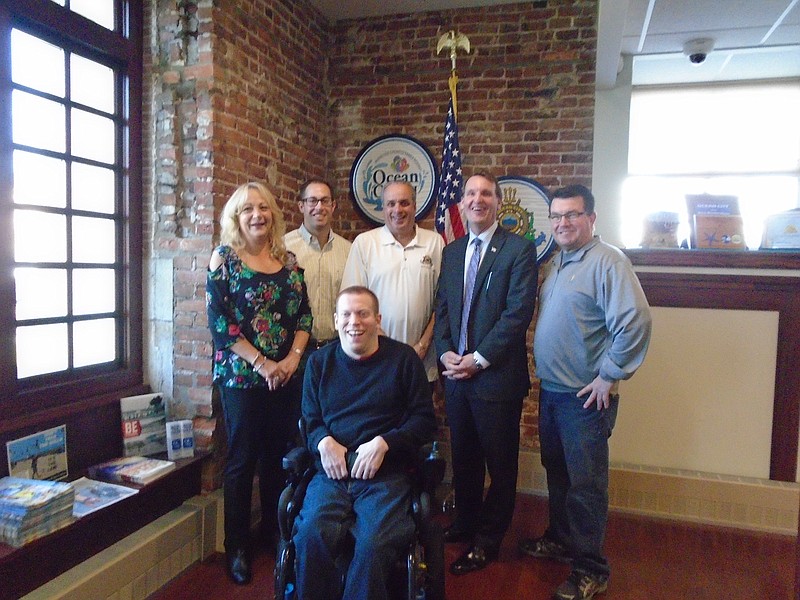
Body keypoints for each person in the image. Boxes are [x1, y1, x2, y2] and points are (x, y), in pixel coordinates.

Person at [518, 184, 652, 600]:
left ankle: (591, 570)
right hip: (554, 392)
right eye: (556, 217)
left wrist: (609, 375)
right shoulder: (558, 263)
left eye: (572, 215)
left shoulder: (609, 262)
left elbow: (635, 321)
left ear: (591, 219)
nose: (562, 223)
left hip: (585, 399)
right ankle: (560, 539)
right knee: (559, 477)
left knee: (586, 487)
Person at [293, 286, 437, 600]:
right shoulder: (319, 363)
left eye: (363, 313)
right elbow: (310, 417)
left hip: (385, 476)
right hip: (331, 475)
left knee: (373, 543)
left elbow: (424, 421)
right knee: (310, 533)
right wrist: (322, 441)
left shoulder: (403, 360)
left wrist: (386, 442)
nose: (353, 322)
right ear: (335, 320)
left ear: (377, 319)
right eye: (346, 314)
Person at [206, 182, 312, 585]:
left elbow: (305, 316)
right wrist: (263, 363)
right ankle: (238, 547)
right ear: (236, 217)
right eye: (248, 209)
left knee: (279, 457)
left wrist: (289, 361)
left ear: (273, 214)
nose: (257, 215)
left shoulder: (288, 259)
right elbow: (221, 325)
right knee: (241, 460)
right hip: (242, 379)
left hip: (287, 375)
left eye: (263, 208)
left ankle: (273, 531)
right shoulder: (224, 260)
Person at [433, 172, 538, 575]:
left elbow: (517, 315)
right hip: (456, 377)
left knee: (501, 464)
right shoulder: (453, 251)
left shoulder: (518, 249)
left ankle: (489, 539)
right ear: (461, 203)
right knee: (465, 459)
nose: (478, 199)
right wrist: (444, 352)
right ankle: (465, 523)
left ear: (497, 202)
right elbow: (443, 309)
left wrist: (477, 359)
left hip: (494, 378)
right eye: (471, 193)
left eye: (486, 194)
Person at [341, 181, 443, 383]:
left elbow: (442, 302)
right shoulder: (365, 243)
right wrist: (384, 346)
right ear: (383, 208)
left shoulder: (435, 242)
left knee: (418, 414)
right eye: (391, 204)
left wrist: (422, 345)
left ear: (415, 206)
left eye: (404, 203)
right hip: (375, 357)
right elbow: (353, 302)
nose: (398, 210)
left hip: (421, 358)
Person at [284, 178, 352, 353]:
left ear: (333, 206)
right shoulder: (283, 248)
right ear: (301, 206)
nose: (319, 207)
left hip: (337, 347)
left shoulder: (349, 250)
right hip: (295, 349)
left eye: (325, 201)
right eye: (312, 201)